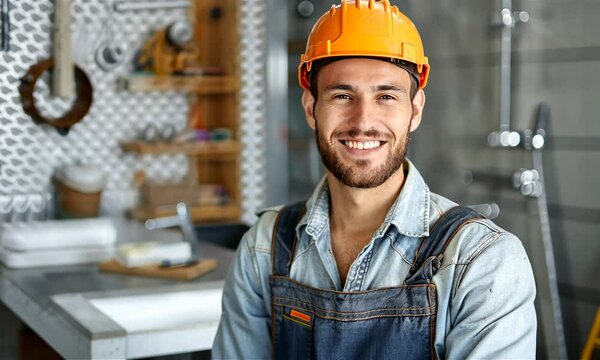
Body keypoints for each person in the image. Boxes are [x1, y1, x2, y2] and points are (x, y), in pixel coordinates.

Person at [212, 0, 537, 358]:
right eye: (342, 95)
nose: (363, 120)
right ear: (310, 108)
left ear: (414, 110)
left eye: (385, 96)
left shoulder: (480, 260)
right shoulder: (264, 248)